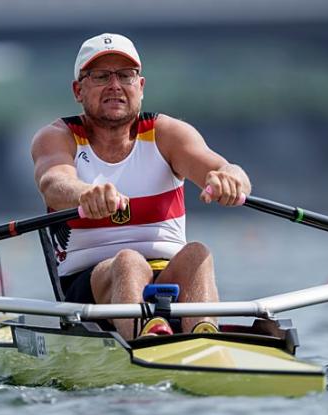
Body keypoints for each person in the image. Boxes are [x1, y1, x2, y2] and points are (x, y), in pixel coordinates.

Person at [31, 33, 251, 340]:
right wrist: (84, 194)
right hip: (90, 289)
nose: (115, 85)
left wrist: (231, 178)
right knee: (129, 262)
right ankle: (148, 339)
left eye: (125, 75)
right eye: (100, 76)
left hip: (168, 274)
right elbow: (53, 182)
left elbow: (223, 168)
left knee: (197, 254)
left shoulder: (167, 134)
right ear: (78, 90)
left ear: (141, 87)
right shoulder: (58, 136)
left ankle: (204, 338)